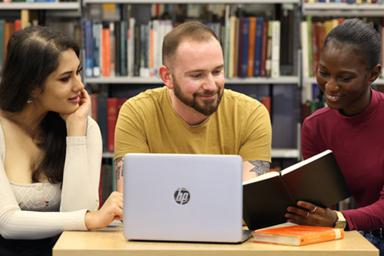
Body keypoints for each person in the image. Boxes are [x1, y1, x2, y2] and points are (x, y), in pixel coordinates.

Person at [0, 26, 123, 256]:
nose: (79, 86)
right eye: (66, 78)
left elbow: (78, 213)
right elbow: (6, 222)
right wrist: (89, 219)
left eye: (78, 72)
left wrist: (75, 132)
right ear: (32, 86)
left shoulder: (86, 128)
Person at [114, 21, 272, 191]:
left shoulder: (251, 114)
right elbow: (132, 201)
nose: (211, 85)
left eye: (217, 71)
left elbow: (248, 204)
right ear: (167, 77)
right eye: (197, 75)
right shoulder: (136, 113)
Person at [285, 18, 384, 254]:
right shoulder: (315, 126)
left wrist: (337, 219)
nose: (330, 86)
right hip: (358, 232)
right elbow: (317, 203)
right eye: (324, 73)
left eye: (344, 78)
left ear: (373, 75)